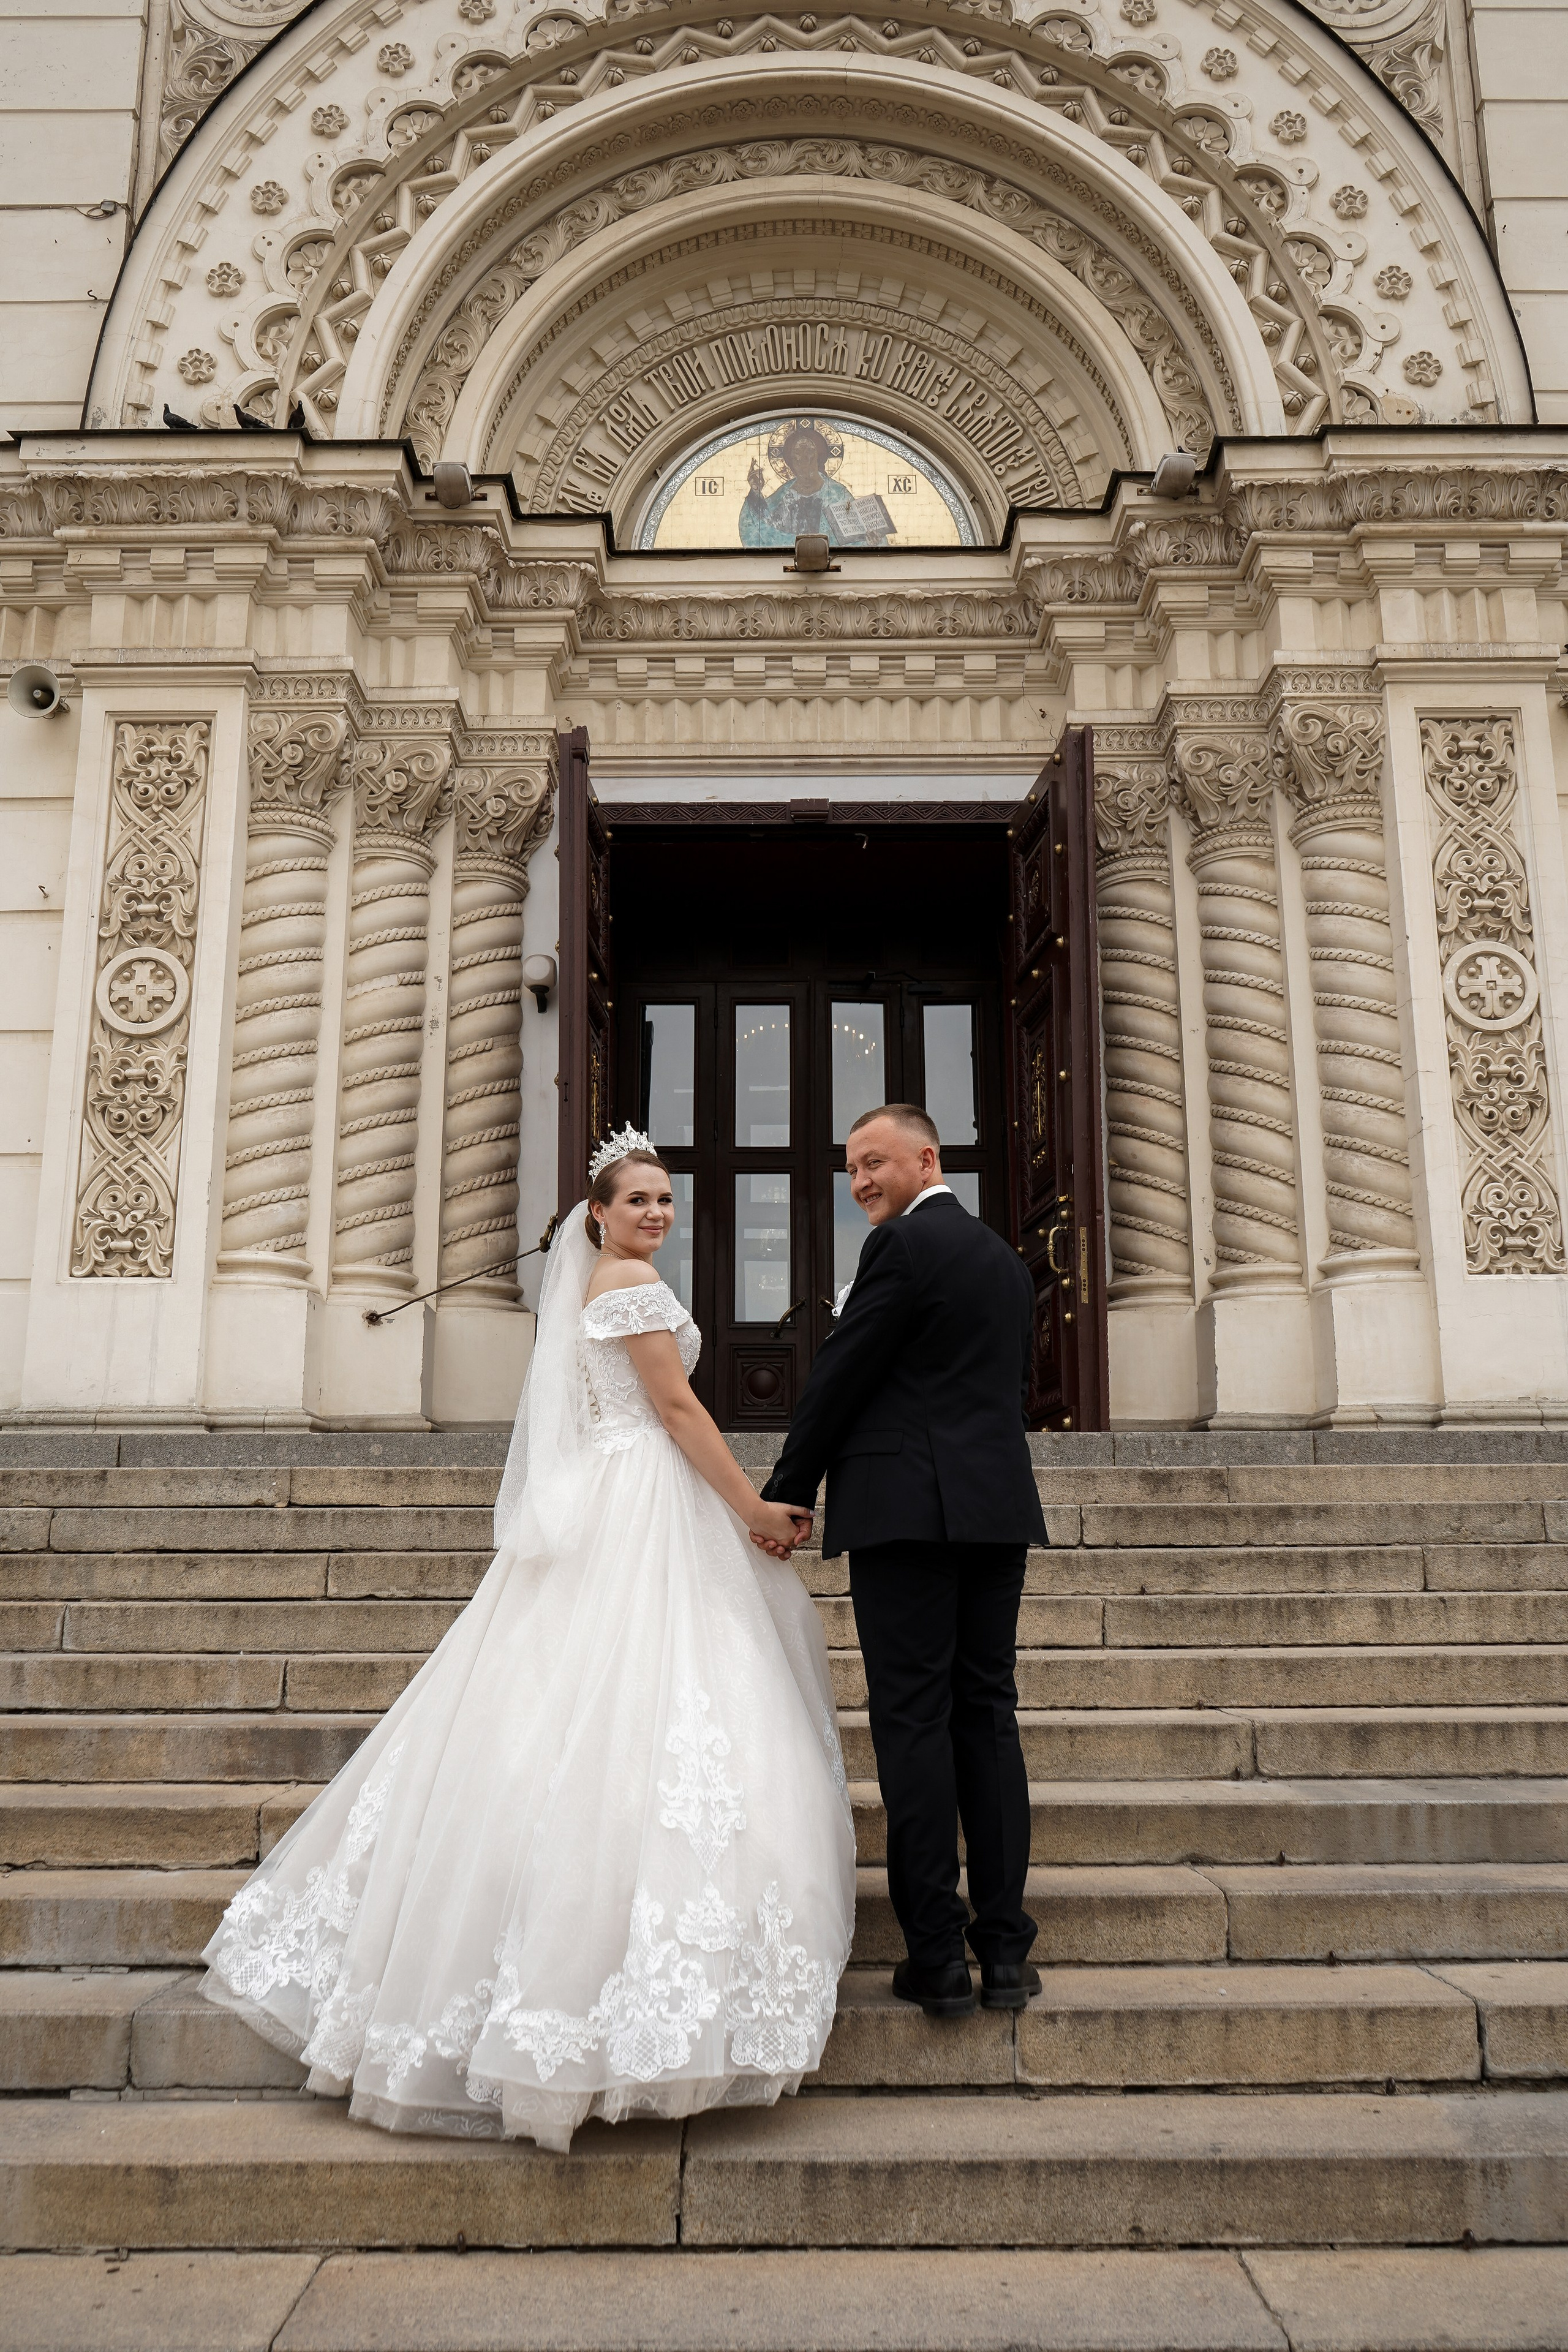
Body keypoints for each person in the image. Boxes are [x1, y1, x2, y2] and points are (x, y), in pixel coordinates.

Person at [201, 1131, 854, 2150]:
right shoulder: (629, 1283)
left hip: (614, 1495)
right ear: (595, 1214)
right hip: (645, 1496)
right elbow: (676, 1410)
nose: (654, 1213)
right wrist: (753, 1510)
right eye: (636, 1199)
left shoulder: (603, 1279)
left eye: (664, 1199)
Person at [759, 1104, 1046, 2018]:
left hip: (907, 1518)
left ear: (929, 1158)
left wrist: (786, 1488)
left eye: (875, 1162)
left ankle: (938, 1957)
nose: (861, 1183)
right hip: (995, 1512)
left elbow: (843, 1373)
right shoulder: (1005, 1258)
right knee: (987, 1720)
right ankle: (1003, 1950)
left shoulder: (903, 1250)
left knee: (915, 1725)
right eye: (851, 1169)